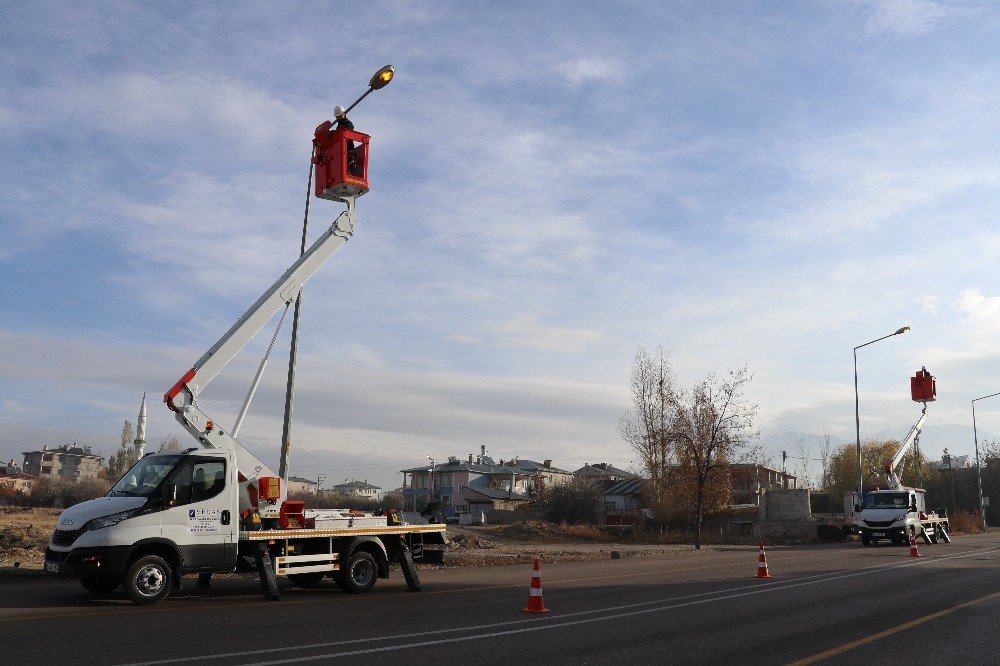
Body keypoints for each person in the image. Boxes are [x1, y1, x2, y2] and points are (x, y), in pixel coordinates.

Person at [333, 105, 361, 176]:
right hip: (341, 150)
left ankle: (350, 174)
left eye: (339, 116)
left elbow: (348, 132)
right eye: (337, 117)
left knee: (349, 165)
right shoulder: (338, 126)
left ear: (343, 114)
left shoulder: (348, 123)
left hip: (348, 149)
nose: (338, 118)